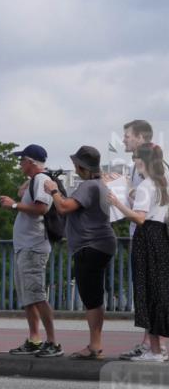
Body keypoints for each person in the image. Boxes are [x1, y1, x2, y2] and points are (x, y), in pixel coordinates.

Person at [45, 146, 117, 360]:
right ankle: (95, 343)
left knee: (91, 297)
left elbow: (64, 207)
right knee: (94, 295)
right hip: (102, 243)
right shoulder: (100, 184)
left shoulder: (89, 186)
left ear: (81, 166)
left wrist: (53, 190)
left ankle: (95, 346)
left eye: (76, 164)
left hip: (90, 245)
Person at [0, 144, 62, 357]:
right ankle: (35, 338)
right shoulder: (37, 180)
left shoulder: (42, 180)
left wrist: (14, 205)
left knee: (36, 294)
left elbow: (41, 208)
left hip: (34, 246)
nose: (19, 164)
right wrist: (28, 183)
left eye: (22, 160)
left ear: (31, 162)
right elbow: (23, 192)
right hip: (25, 246)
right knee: (28, 295)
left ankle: (52, 341)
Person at [108, 143, 169, 362]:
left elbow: (140, 218)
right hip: (161, 236)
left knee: (147, 292)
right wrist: (131, 196)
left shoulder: (146, 185)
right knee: (159, 291)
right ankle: (160, 348)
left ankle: (153, 350)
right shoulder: (162, 184)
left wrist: (117, 203)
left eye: (135, 159)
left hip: (146, 238)